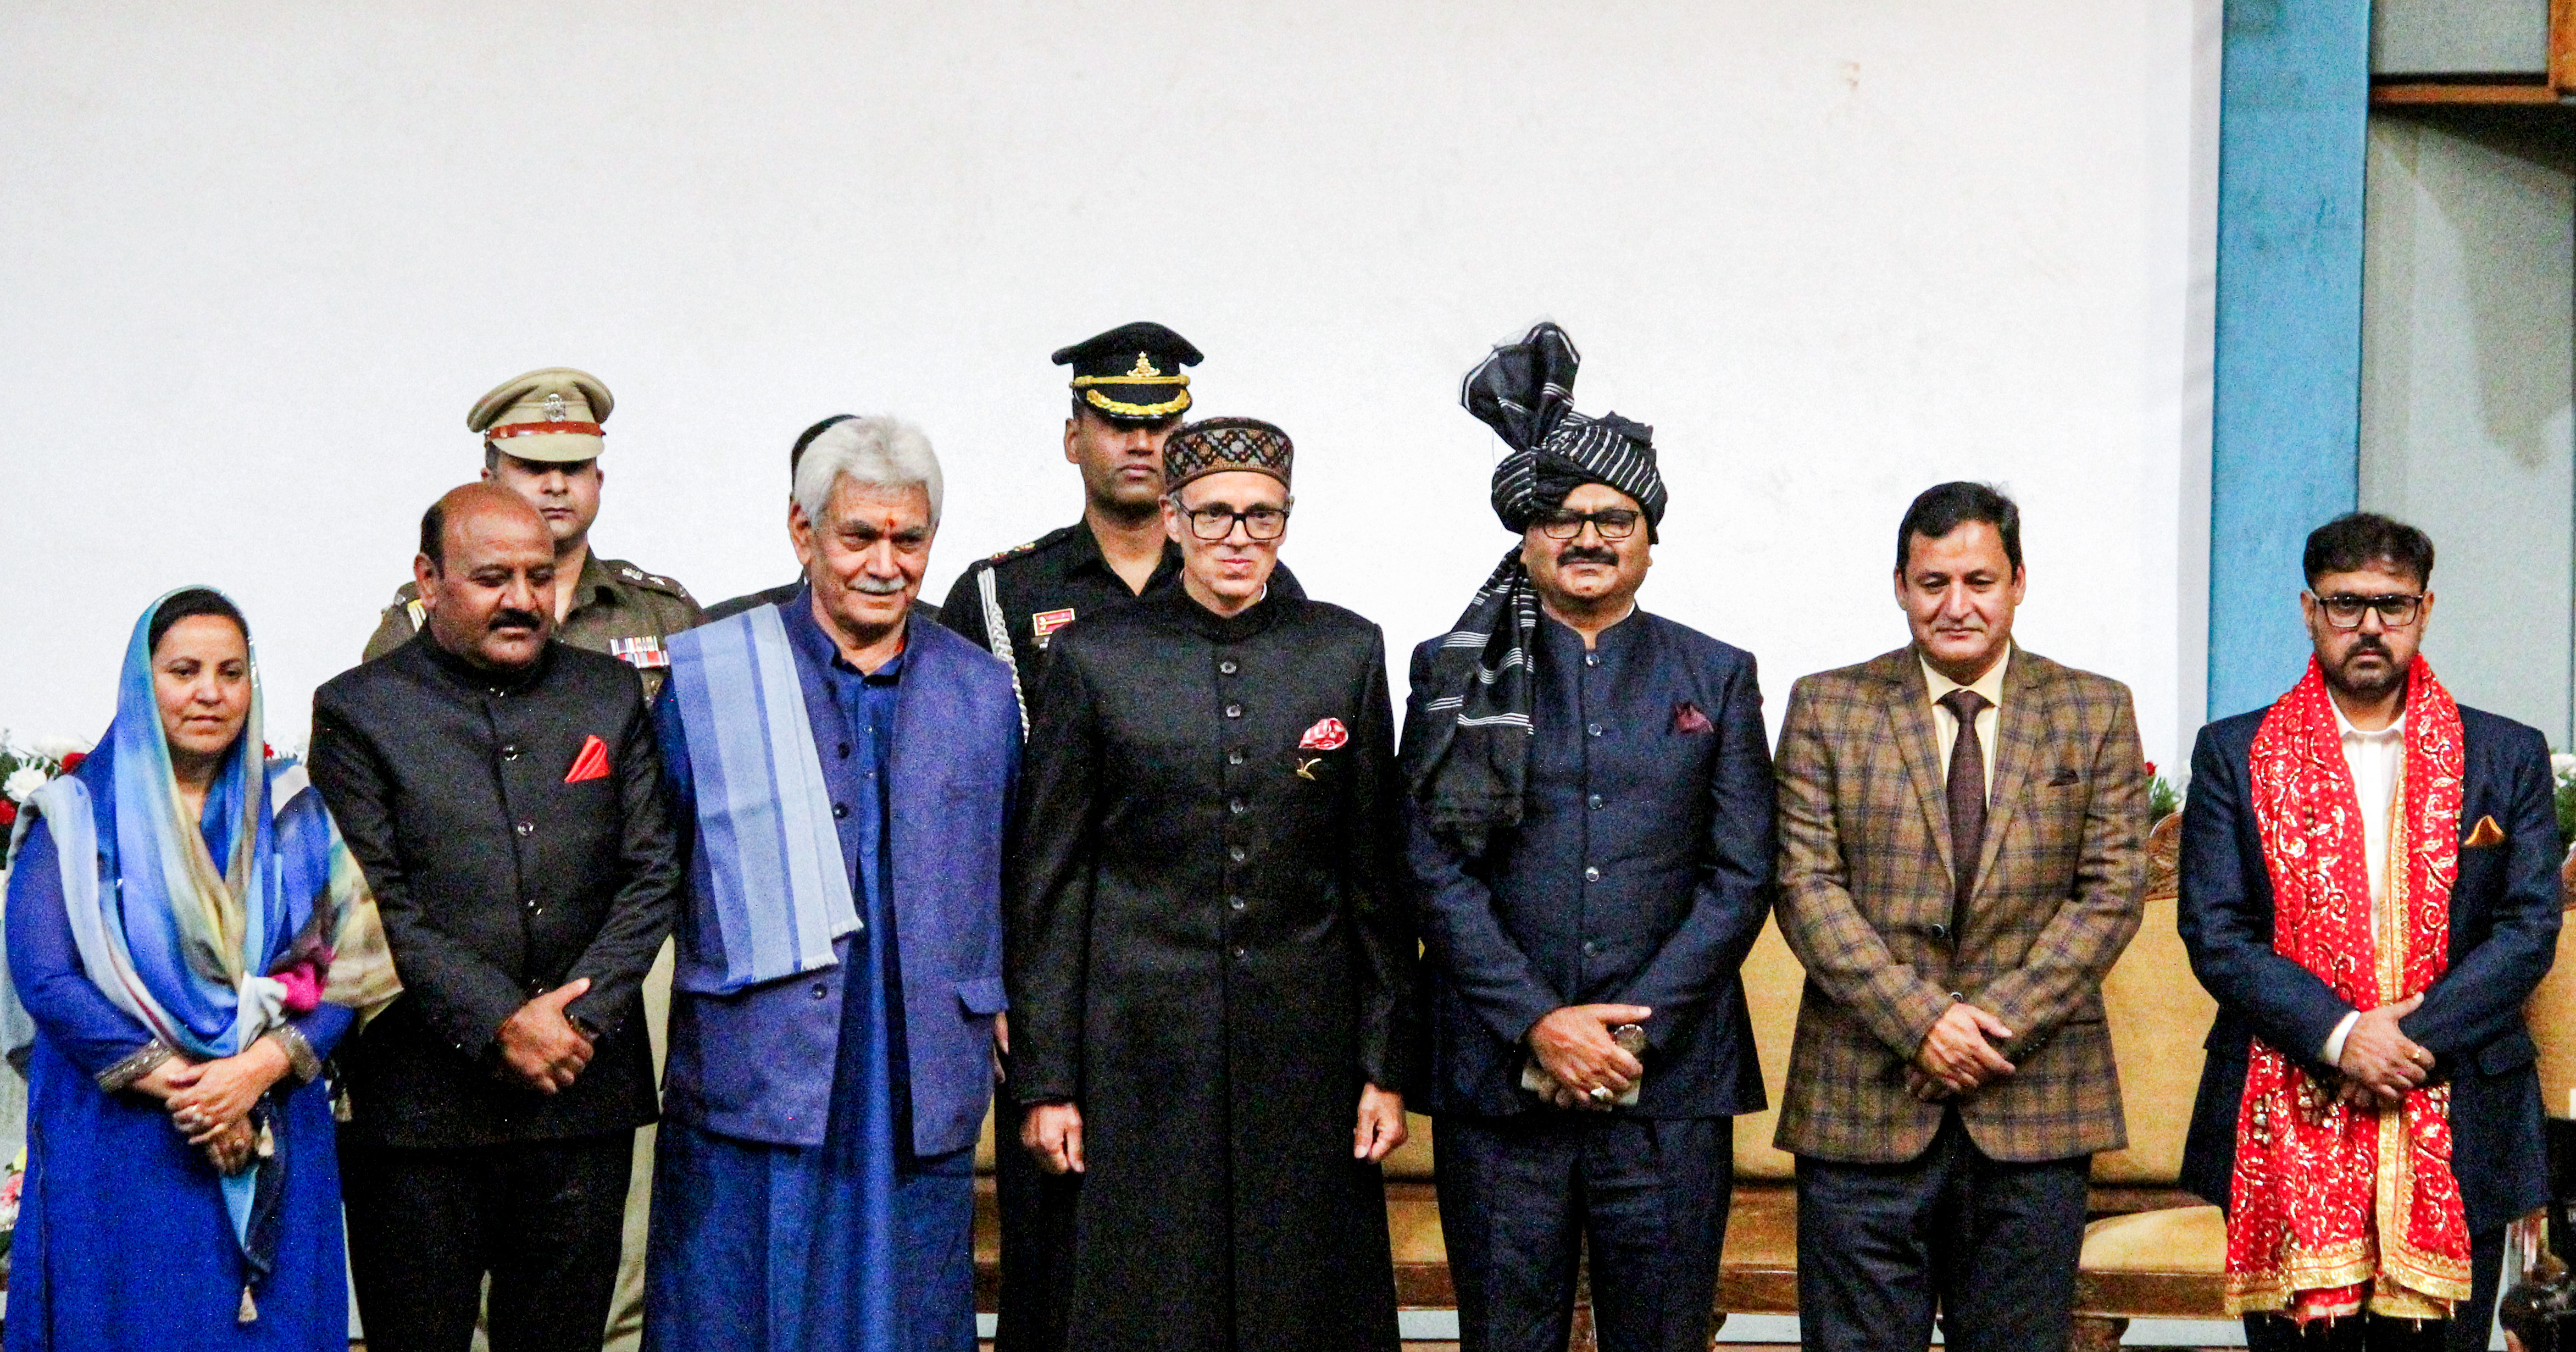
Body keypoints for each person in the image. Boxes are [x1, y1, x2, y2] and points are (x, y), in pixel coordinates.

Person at [1401, 323, 1776, 1352]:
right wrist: (1538, 1023)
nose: (1588, 538)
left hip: (1665, 1083)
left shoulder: (1716, 675)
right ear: (1523, 535)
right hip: (1498, 1079)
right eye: (1561, 517)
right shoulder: (1453, 670)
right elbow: (1431, 865)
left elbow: (1741, 875)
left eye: (1615, 517)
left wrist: (1625, 1033)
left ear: (1651, 536)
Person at [1007, 417, 1414, 1352]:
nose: (1239, 538)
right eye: (1217, 515)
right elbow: (1050, 881)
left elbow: (1372, 876)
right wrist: (1048, 1079)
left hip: (1303, 1049)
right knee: (1147, 1303)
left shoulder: (1343, 651)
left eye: (1262, 517)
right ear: (1176, 520)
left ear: (1287, 522)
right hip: (1136, 1051)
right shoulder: (1094, 657)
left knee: (1302, 1305)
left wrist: (1382, 1065)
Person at [935, 322, 1291, 1352]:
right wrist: (994, 976)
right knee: (1060, 1250)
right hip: (1053, 974)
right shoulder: (1002, 594)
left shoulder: (1259, 584)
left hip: (1195, 979)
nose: (1140, 444)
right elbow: (967, 805)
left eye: (1162, 423)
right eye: (1113, 422)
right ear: (1071, 438)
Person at [644, 415, 1018, 1352]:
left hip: (913, 1069)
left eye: (909, 539)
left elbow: (1016, 872)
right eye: (858, 536)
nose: (884, 564)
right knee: (734, 1312)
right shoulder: (716, 679)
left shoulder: (980, 691)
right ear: (802, 532)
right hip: (754, 1068)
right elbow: (656, 868)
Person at [1771, 481, 2149, 1352]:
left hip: (2035, 1100)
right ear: (1900, 586)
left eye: (1979, 580)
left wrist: (1988, 1028)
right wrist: (1922, 1024)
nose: (1957, 605)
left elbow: (2112, 890)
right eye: (1933, 581)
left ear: (2019, 582)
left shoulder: (2094, 710)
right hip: (1862, 1103)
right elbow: (1804, 885)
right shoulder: (1829, 706)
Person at [310, 484, 683, 1352]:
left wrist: (573, 1021)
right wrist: (501, 1023)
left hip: (580, 1097)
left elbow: (653, 871)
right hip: (418, 1110)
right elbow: (373, 900)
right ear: (428, 581)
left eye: (538, 574)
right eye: (491, 578)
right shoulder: (359, 710)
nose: (522, 598)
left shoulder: (610, 693)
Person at [2178, 512, 2560, 1351]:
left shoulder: (2506, 754)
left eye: (2392, 605)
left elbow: (2527, 929)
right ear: (2310, 610)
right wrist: (2343, 1036)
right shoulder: (2234, 754)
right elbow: (2216, 931)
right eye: (2347, 605)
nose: (2371, 628)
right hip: (2283, 1100)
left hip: (2458, 1105)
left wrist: (2401, 1042)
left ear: (2425, 611)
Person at [2, 587, 399, 1350]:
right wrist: (199, 1091)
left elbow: (348, 963)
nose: (211, 693)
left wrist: (251, 1074)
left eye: (231, 671)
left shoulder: (292, 806)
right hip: (126, 1142)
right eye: (184, 671)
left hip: (274, 1121)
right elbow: (48, 978)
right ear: (141, 681)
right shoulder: (77, 816)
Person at [363, 367, 704, 702]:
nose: (556, 486)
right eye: (534, 468)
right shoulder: (431, 615)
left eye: (574, 469)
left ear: (599, 481)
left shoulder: (664, 614)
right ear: (490, 482)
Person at [704, 414, 939, 626]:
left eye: (908, 539)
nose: (885, 569)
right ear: (802, 526)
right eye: (859, 536)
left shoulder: (956, 650)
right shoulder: (725, 640)